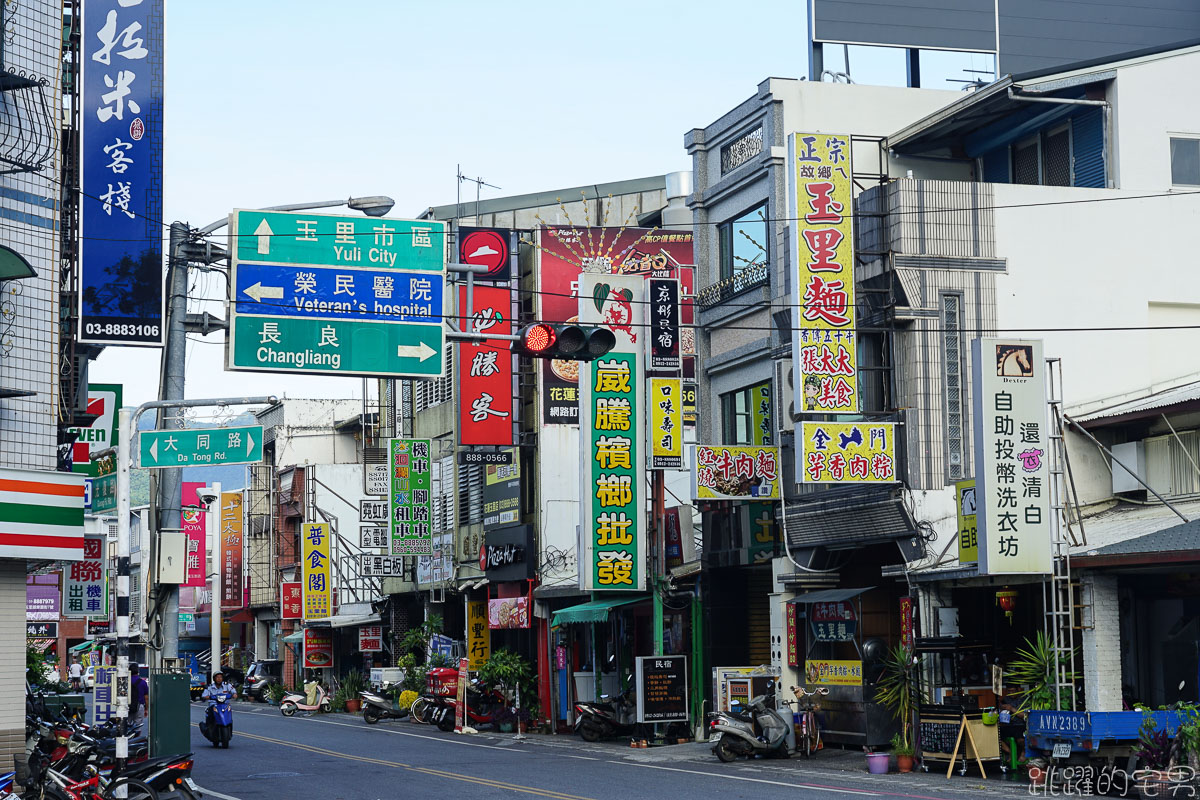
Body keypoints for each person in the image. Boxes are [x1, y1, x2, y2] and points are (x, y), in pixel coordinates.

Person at [131, 664, 149, 730]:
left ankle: (125, 739)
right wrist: (146, 709)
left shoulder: (125, 681)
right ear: (138, 672)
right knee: (137, 727)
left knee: (125, 727)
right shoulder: (143, 682)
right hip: (139, 706)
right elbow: (146, 698)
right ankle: (135, 739)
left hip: (126, 706)